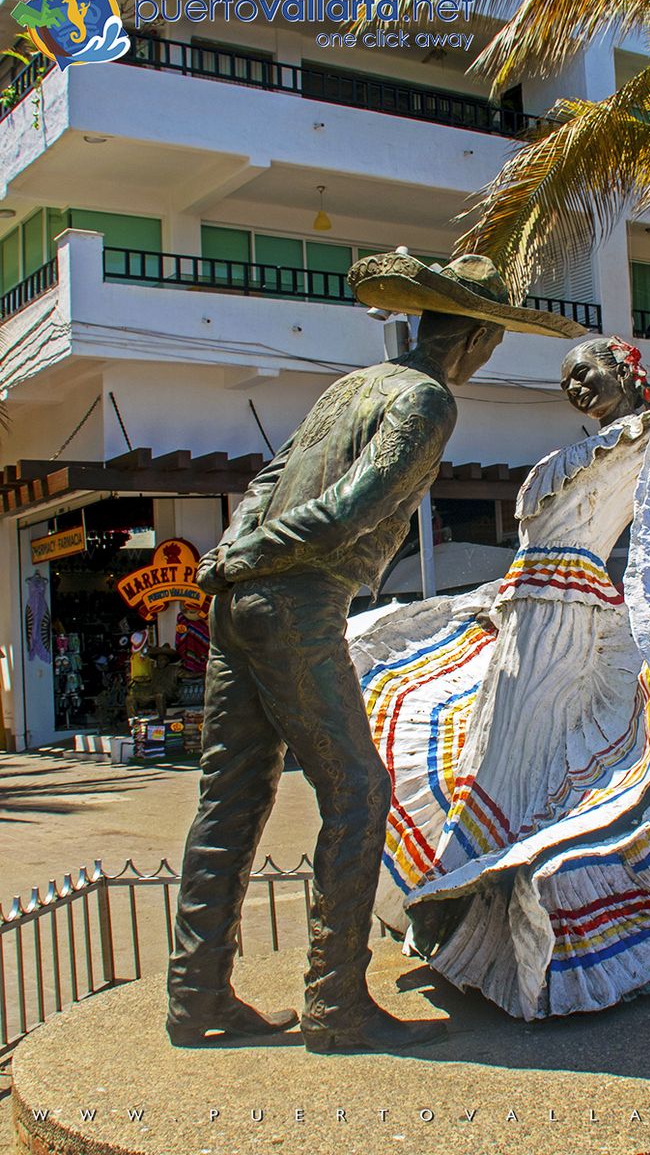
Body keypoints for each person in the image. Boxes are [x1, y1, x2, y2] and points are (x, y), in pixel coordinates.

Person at [165, 250, 582, 1052]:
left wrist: (236, 550)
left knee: (229, 799)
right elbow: (355, 508)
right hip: (293, 601)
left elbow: (269, 478)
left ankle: (197, 995)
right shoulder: (426, 400)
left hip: (240, 604)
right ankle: (334, 1003)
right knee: (357, 793)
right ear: (478, 342)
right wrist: (249, 557)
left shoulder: (353, 387)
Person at [351, 335, 650, 1020]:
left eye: (585, 373)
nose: (576, 388)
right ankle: (474, 909)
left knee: (512, 761)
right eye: (567, 381)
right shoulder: (600, 444)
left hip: (568, 622)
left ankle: (469, 900)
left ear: (624, 369)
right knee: (496, 754)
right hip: (528, 608)